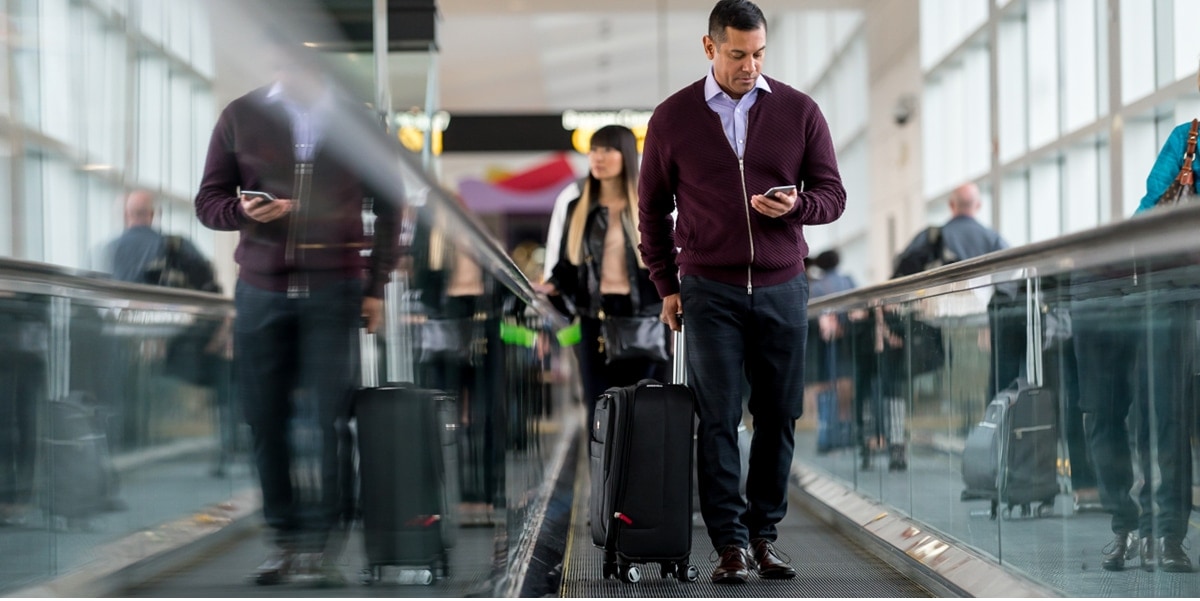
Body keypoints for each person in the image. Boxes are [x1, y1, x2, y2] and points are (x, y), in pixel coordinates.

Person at [637, 0, 846, 584]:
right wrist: (665, 283)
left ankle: (764, 536)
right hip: (709, 289)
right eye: (736, 55)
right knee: (720, 418)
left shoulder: (800, 111)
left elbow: (833, 194)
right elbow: (651, 211)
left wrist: (797, 206)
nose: (749, 66)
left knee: (779, 415)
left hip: (784, 287)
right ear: (710, 48)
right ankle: (729, 543)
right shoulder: (673, 118)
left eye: (758, 54)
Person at [194, 45, 400, 585]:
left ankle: (321, 546)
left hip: (335, 288)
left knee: (331, 419)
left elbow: (392, 206)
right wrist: (242, 210)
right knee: (264, 419)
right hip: (261, 290)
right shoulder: (242, 114)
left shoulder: (358, 122)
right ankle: (284, 540)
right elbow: (208, 201)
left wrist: (375, 285)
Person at [1071, 69, 1199, 572]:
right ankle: (1125, 526)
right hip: (1120, 281)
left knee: (1166, 414)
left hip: (1174, 292)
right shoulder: (1186, 138)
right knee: (1103, 414)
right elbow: (1149, 207)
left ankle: (1166, 534)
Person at [539, 124, 667, 428]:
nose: (598, 157)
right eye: (594, 150)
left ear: (625, 155)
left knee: (645, 413)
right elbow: (568, 267)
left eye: (607, 150)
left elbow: (668, 264)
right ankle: (604, 476)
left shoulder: (650, 207)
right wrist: (549, 286)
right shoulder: (576, 208)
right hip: (594, 321)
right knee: (598, 413)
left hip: (645, 320)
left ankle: (643, 476)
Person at [104, 189, 218, 291]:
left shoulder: (108, 249)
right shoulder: (177, 245)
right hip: (166, 310)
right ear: (153, 214)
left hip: (118, 312)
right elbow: (207, 279)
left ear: (126, 215)